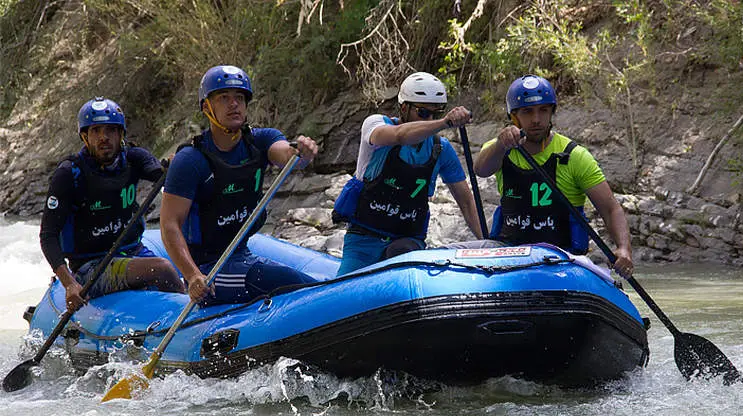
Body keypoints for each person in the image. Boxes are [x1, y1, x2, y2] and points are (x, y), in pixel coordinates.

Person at [159, 64, 319, 306]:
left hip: (241, 255)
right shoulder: (190, 160)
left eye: (239, 98)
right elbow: (170, 225)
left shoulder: (261, 139)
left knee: (290, 279)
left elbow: (285, 153)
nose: (234, 104)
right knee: (281, 279)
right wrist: (192, 276)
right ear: (206, 107)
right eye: (224, 98)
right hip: (209, 272)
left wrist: (301, 154)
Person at [473, 74, 635, 279]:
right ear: (514, 117)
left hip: (562, 256)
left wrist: (623, 248)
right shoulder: (500, 149)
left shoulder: (574, 156)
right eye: (527, 112)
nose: (536, 120)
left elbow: (610, 208)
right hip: (509, 253)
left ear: (552, 112)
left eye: (543, 110)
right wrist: (500, 144)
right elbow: (480, 169)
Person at [40, 97, 186, 312]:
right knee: (162, 269)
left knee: (177, 274)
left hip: (133, 251)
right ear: (85, 136)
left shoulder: (135, 158)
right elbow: (48, 235)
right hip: (91, 267)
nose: (104, 138)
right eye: (96, 131)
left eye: (110, 130)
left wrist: (178, 165)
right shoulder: (70, 173)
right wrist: (69, 283)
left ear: (121, 134)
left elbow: (165, 178)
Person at [332, 71, 485, 276]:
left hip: (406, 242)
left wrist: (488, 242)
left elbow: (466, 203)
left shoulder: (442, 149)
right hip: (363, 240)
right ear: (404, 108)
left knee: (401, 251)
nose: (429, 119)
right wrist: (444, 122)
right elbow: (399, 135)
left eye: (436, 113)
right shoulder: (375, 125)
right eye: (423, 113)